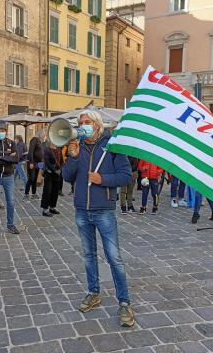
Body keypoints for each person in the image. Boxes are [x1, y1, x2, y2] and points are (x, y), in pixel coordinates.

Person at [62, 110, 134, 327]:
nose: (83, 124)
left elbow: (126, 175)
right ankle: (93, 292)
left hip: (103, 210)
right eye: (81, 122)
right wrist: (73, 158)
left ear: (97, 125)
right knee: (88, 255)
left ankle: (124, 302)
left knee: (114, 258)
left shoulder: (112, 146)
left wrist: (102, 179)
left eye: (87, 122)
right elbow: (66, 177)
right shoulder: (78, 146)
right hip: (81, 211)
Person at [41, 141, 62, 217]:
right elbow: (47, 162)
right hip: (49, 173)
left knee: (55, 191)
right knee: (47, 191)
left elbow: (61, 160)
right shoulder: (47, 150)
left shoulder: (58, 149)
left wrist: (60, 169)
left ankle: (52, 207)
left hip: (57, 173)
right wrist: (54, 170)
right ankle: (45, 210)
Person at [24, 130, 45, 200]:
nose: (44, 136)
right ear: (40, 134)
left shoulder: (39, 141)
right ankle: (26, 194)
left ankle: (34, 193)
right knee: (31, 178)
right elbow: (31, 151)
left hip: (38, 163)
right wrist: (31, 162)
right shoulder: (34, 139)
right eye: (44, 134)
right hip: (33, 162)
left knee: (35, 179)